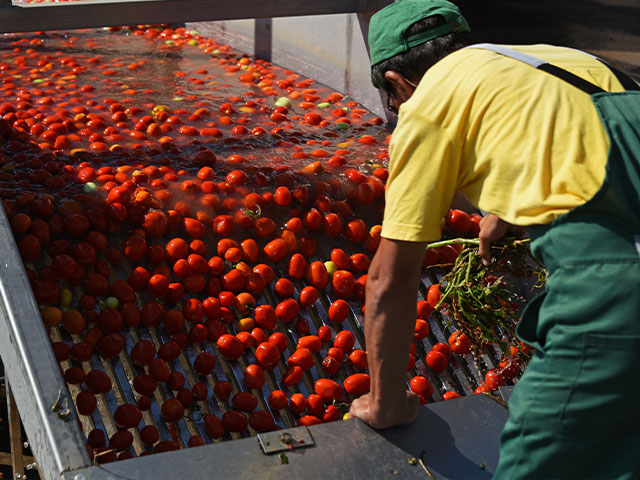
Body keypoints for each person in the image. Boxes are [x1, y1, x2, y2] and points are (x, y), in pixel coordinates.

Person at [348, 0, 640, 478]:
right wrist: (510, 200)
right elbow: (598, 143)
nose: (399, 109)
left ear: (397, 84)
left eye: (393, 100)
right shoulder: (563, 59)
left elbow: (388, 280)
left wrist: (386, 402)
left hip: (615, 281)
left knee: (539, 460)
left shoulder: (427, 106)